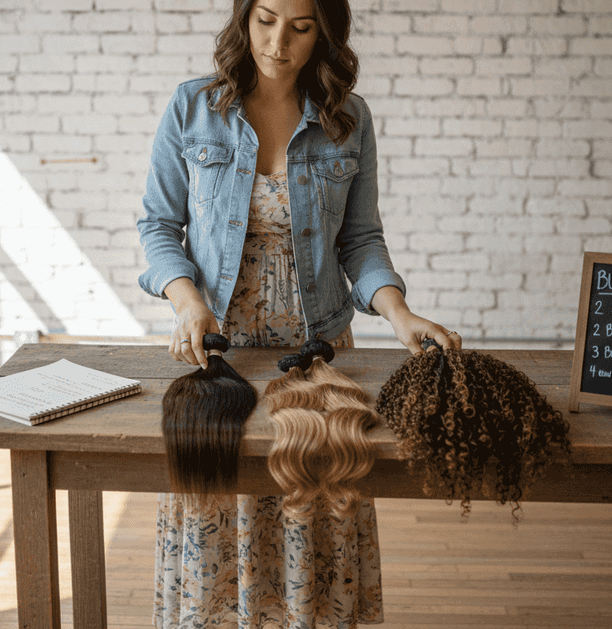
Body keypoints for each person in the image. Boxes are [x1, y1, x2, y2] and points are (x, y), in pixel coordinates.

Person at [136, 1, 463, 627]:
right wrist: (187, 301)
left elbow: (361, 240)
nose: (278, 41)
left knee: (314, 506)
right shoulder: (193, 106)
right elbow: (158, 226)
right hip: (219, 351)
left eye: (301, 26)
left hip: (316, 360)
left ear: (325, 33)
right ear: (243, 17)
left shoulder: (348, 118)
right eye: (264, 19)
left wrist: (399, 314)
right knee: (218, 504)